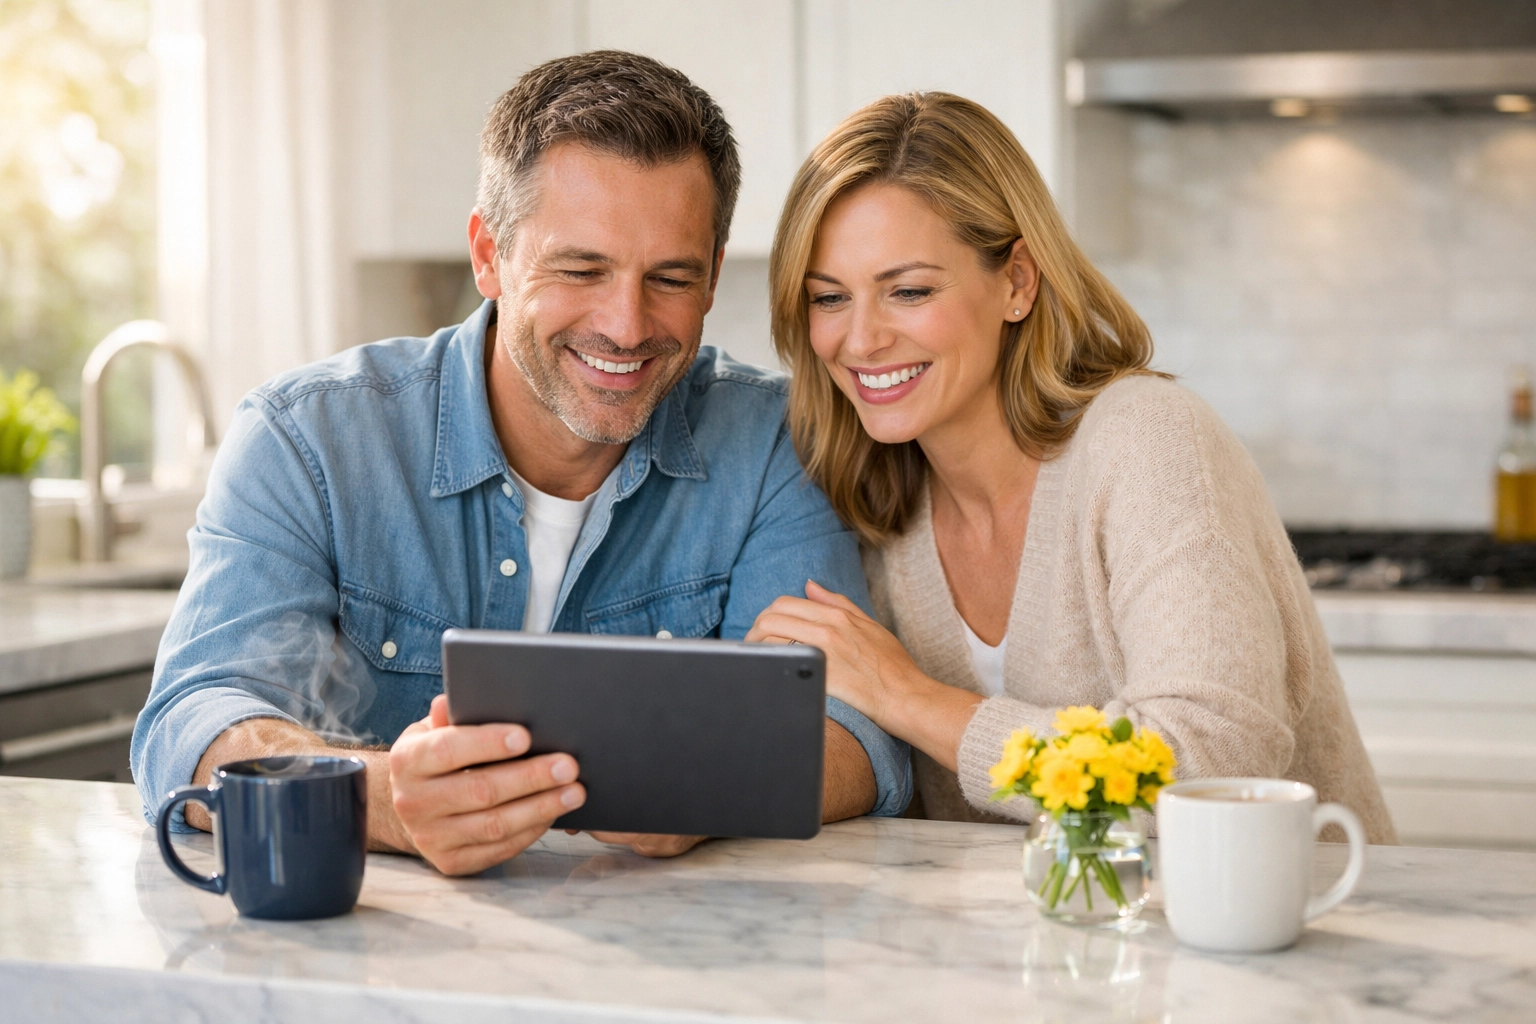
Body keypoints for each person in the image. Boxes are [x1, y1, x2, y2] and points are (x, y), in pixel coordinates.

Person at [131, 51, 910, 877]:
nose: (627, 324)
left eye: (671, 277)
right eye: (581, 269)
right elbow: (193, 717)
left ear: (715, 274)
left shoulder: (771, 445)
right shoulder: (307, 441)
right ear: (488, 254)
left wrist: (702, 786)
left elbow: (858, 737)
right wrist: (384, 797)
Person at [746, 92, 1394, 842]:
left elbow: (1212, 766)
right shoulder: (875, 500)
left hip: (1288, 937)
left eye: (910, 291)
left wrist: (911, 698)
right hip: (1059, 954)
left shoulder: (1148, 442)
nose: (859, 340)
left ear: (1017, 282)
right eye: (829, 298)